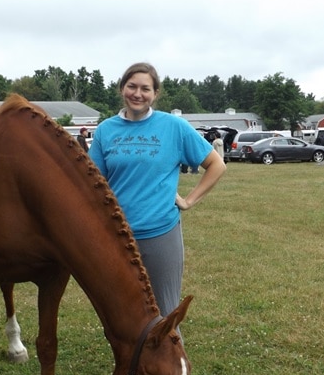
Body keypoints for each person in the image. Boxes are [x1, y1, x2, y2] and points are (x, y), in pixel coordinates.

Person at [89, 62, 226, 319]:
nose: (137, 94)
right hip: (117, 236)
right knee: (123, 313)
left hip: (160, 234)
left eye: (145, 88)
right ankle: (132, 361)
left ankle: (170, 360)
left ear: (155, 94)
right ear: (122, 88)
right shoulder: (106, 130)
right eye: (132, 86)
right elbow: (93, 183)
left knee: (164, 314)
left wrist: (188, 201)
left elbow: (216, 165)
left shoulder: (174, 127)